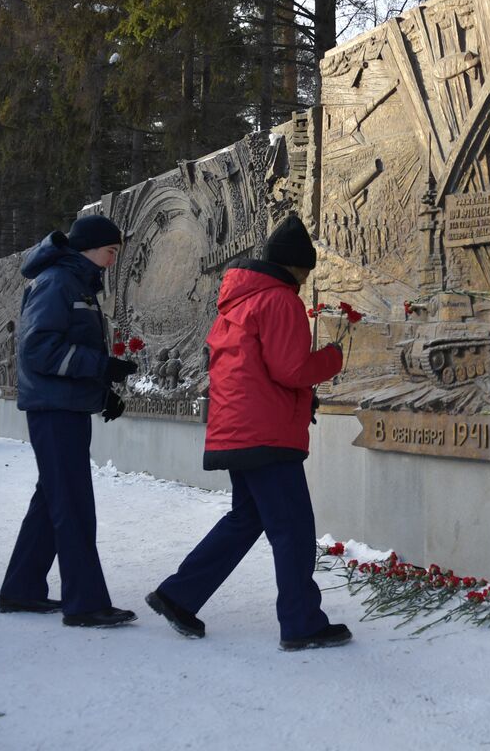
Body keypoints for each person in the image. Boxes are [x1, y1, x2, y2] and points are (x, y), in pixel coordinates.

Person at [145, 214, 350, 651]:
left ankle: (178, 596)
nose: (306, 278)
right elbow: (291, 368)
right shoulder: (280, 301)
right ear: (296, 266)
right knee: (293, 528)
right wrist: (333, 358)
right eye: (307, 270)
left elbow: (256, 372)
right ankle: (301, 624)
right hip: (267, 438)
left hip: (238, 433)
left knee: (246, 519)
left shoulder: (237, 302)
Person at [0, 214, 140, 627]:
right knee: (73, 504)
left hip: (64, 407)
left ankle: (21, 589)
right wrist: (101, 367)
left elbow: (65, 348)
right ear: (90, 247)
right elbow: (38, 351)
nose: (113, 261)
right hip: (53, 411)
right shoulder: (59, 282)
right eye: (111, 251)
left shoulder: (75, 282)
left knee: (52, 500)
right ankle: (85, 603)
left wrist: (104, 388)